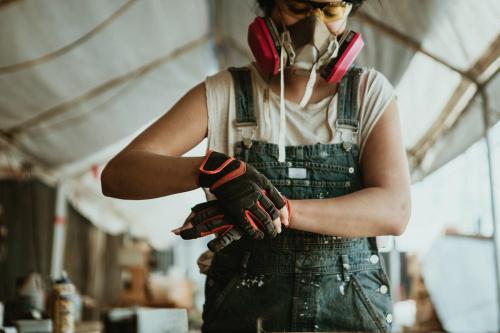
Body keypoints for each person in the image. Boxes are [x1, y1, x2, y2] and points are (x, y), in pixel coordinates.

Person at [101, 0, 411, 332]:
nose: (314, 26)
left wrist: (280, 210)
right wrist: (210, 170)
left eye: (330, 11)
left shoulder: (368, 93)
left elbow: (394, 210)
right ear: (269, 7)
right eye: (297, 6)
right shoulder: (226, 95)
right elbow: (119, 175)